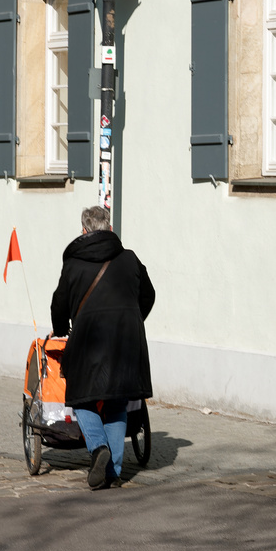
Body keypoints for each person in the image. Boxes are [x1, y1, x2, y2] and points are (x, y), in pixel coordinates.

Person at [51, 205, 156, 490]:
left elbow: (59, 304)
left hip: (89, 342)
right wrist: (133, 321)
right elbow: (148, 295)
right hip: (126, 342)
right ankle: (114, 473)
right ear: (109, 227)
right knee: (117, 401)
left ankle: (98, 449)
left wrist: (60, 328)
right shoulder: (130, 259)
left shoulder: (74, 263)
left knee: (83, 398)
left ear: (84, 230)